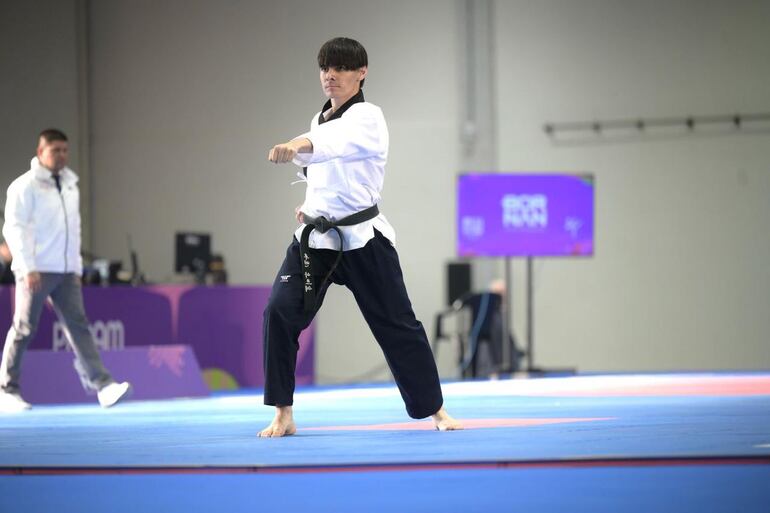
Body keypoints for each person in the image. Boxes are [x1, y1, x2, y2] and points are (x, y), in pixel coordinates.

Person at [261, 37, 462, 437]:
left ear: (361, 73)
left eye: (340, 68)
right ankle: (283, 413)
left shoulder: (369, 117)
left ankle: (436, 410)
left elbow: (333, 145)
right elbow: (324, 169)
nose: (330, 76)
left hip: (363, 241)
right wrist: (311, 205)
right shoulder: (319, 119)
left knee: (397, 324)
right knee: (279, 312)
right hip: (316, 242)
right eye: (325, 68)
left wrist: (296, 144)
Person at [0, 129, 132, 413]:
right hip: (35, 270)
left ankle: (103, 385)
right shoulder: (24, 186)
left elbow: (74, 230)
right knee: (24, 327)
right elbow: (14, 229)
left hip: (66, 271)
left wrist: (76, 267)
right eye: (55, 150)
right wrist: (27, 266)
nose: (61, 155)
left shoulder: (71, 185)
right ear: (40, 152)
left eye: (64, 150)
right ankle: (6, 389)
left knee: (78, 326)